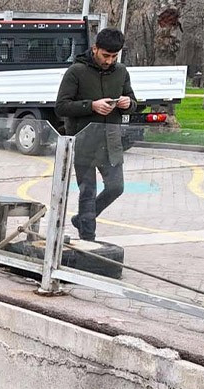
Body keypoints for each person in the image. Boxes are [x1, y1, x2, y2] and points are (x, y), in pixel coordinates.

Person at [56, 28, 135, 243]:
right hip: (84, 142)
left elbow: (132, 101)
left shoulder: (121, 72)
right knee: (87, 193)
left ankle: (82, 219)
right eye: (105, 55)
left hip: (111, 141)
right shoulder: (76, 71)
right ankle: (88, 239)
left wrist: (128, 104)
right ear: (95, 49)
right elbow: (61, 107)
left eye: (114, 56)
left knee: (116, 187)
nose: (109, 61)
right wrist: (91, 106)